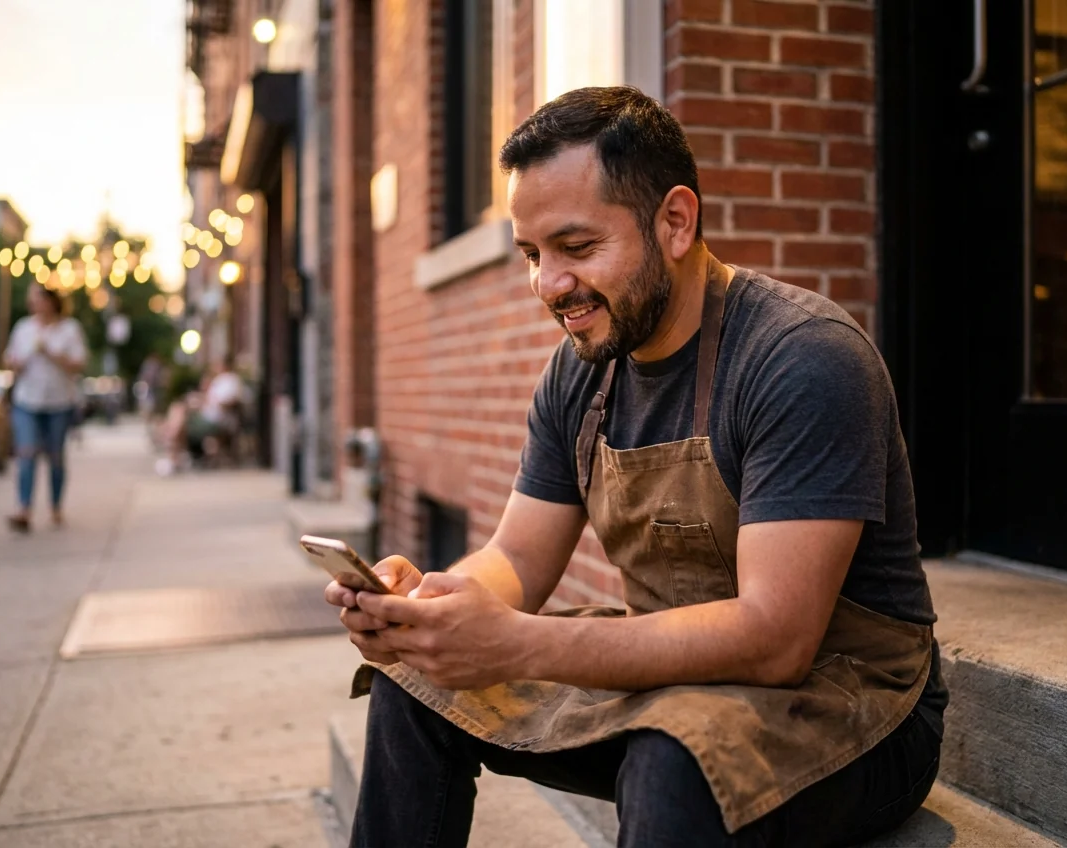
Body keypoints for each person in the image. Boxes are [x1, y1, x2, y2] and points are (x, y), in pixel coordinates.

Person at [326, 87, 947, 848]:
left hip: (855, 703)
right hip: (675, 682)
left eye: (577, 248)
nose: (548, 285)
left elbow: (778, 639)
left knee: (675, 755)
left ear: (675, 222)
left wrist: (515, 642)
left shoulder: (803, 356)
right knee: (416, 681)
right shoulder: (580, 370)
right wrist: (436, 610)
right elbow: (517, 558)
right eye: (532, 254)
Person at [3, 282, 87, 532]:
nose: (35, 304)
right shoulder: (23, 328)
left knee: (55, 456)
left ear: (51, 301)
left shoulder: (69, 329)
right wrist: (18, 361)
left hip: (58, 402)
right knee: (26, 453)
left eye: (39, 298)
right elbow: (11, 360)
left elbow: (78, 364)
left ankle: (56, 505)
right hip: (27, 400)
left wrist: (51, 353)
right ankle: (24, 508)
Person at [155, 358, 242, 474]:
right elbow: (211, 400)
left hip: (215, 420)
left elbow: (227, 402)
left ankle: (172, 452)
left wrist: (205, 400)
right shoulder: (219, 381)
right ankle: (172, 446)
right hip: (206, 417)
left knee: (180, 421)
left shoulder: (230, 380)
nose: (215, 366)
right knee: (178, 409)